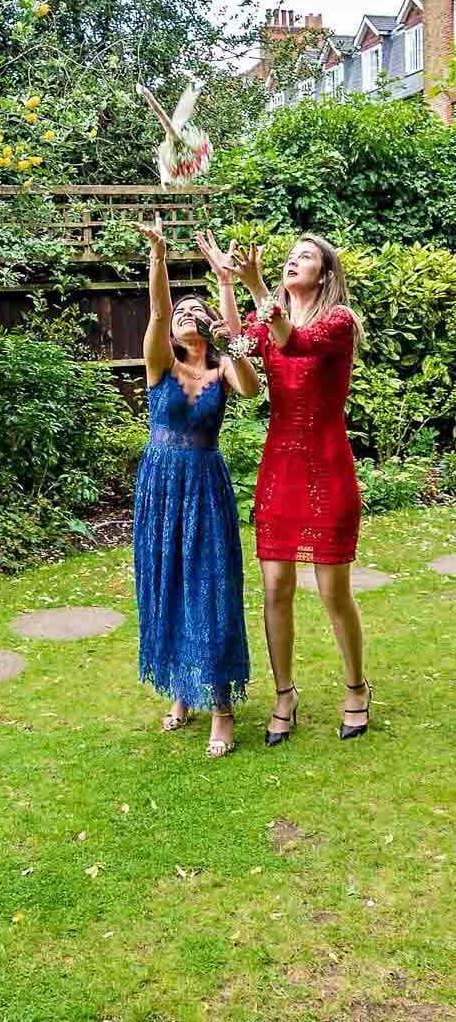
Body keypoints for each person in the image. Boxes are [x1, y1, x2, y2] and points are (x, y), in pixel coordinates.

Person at [230, 235, 370, 743]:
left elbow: (296, 341)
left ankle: (357, 686)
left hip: (329, 468)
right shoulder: (265, 319)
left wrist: (255, 286)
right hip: (279, 469)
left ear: (326, 273)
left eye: (305, 256)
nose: (293, 259)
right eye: (291, 254)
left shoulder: (338, 322)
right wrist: (229, 283)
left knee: (334, 592)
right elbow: (240, 350)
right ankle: (284, 692)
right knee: (274, 589)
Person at [131, 216, 259, 758]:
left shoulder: (225, 367)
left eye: (195, 311)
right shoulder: (159, 365)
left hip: (204, 485)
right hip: (159, 485)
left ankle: (222, 710)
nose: (184, 315)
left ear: (208, 326)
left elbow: (252, 390)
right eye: (180, 312)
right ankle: (181, 692)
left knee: (210, 585)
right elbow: (158, 311)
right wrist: (158, 255)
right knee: (169, 583)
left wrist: (231, 323)